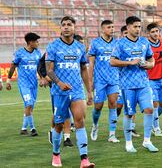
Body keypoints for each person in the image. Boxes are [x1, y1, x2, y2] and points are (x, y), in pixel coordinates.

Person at [46, 16, 94, 168]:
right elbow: (49, 70)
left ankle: (84, 160)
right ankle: (56, 154)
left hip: (77, 90)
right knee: (59, 125)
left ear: (74, 28)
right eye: (63, 25)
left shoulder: (80, 47)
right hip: (59, 92)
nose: (66, 27)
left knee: (80, 121)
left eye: (69, 25)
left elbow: (84, 69)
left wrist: (89, 91)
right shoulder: (53, 46)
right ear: (60, 28)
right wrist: (59, 83)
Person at [110, 16, 158, 153]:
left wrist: (150, 64)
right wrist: (129, 63)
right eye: (135, 26)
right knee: (129, 113)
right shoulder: (120, 44)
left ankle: (147, 141)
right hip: (127, 85)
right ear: (128, 27)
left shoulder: (144, 42)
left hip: (143, 83)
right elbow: (112, 61)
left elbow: (151, 58)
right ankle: (129, 143)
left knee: (149, 109)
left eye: (139, 27)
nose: (138, 29)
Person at [43, 34, 84, 148]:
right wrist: (44, 77)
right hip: (57, 88)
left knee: (74, 115)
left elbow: (83, 68)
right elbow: (42, 66)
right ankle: (53, 130)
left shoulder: (78, 50)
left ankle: (67, 138)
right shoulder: (53, 49)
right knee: (59, 117)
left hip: (75, 89)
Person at [88, 20, 119, 143]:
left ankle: (112, 134)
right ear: (102, 29)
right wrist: (90, 81)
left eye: (112, 27)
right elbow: (91, 64)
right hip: (100, 80)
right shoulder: (95, 43)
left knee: (113, 104)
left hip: (114, 79)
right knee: (98, 106)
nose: (112, 29)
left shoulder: (117, 44)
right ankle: (95, 125)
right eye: (109, 27)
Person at [6, 32, 42, 136]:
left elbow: (39, 68)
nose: (38, 43)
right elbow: (13, 66)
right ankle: (33, 129)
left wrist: (42, 78)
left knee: (30, 106)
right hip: (23, 83)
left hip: (33, 84)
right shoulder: (20, 53)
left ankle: (23, 128)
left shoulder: (38, 53)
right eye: (36, 41)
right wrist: (8, 80)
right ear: (30, 42)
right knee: (29, 103)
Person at [116, 26, 140, 138]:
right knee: (119, 105)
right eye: (125, 33)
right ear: (122, 34)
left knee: (132, 104)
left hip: (132, 81)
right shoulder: (119, 46)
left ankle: (132, 128)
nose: (127, 35)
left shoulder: (136, 45)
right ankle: (114, 121)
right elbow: (113, 62)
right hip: (119, 81)